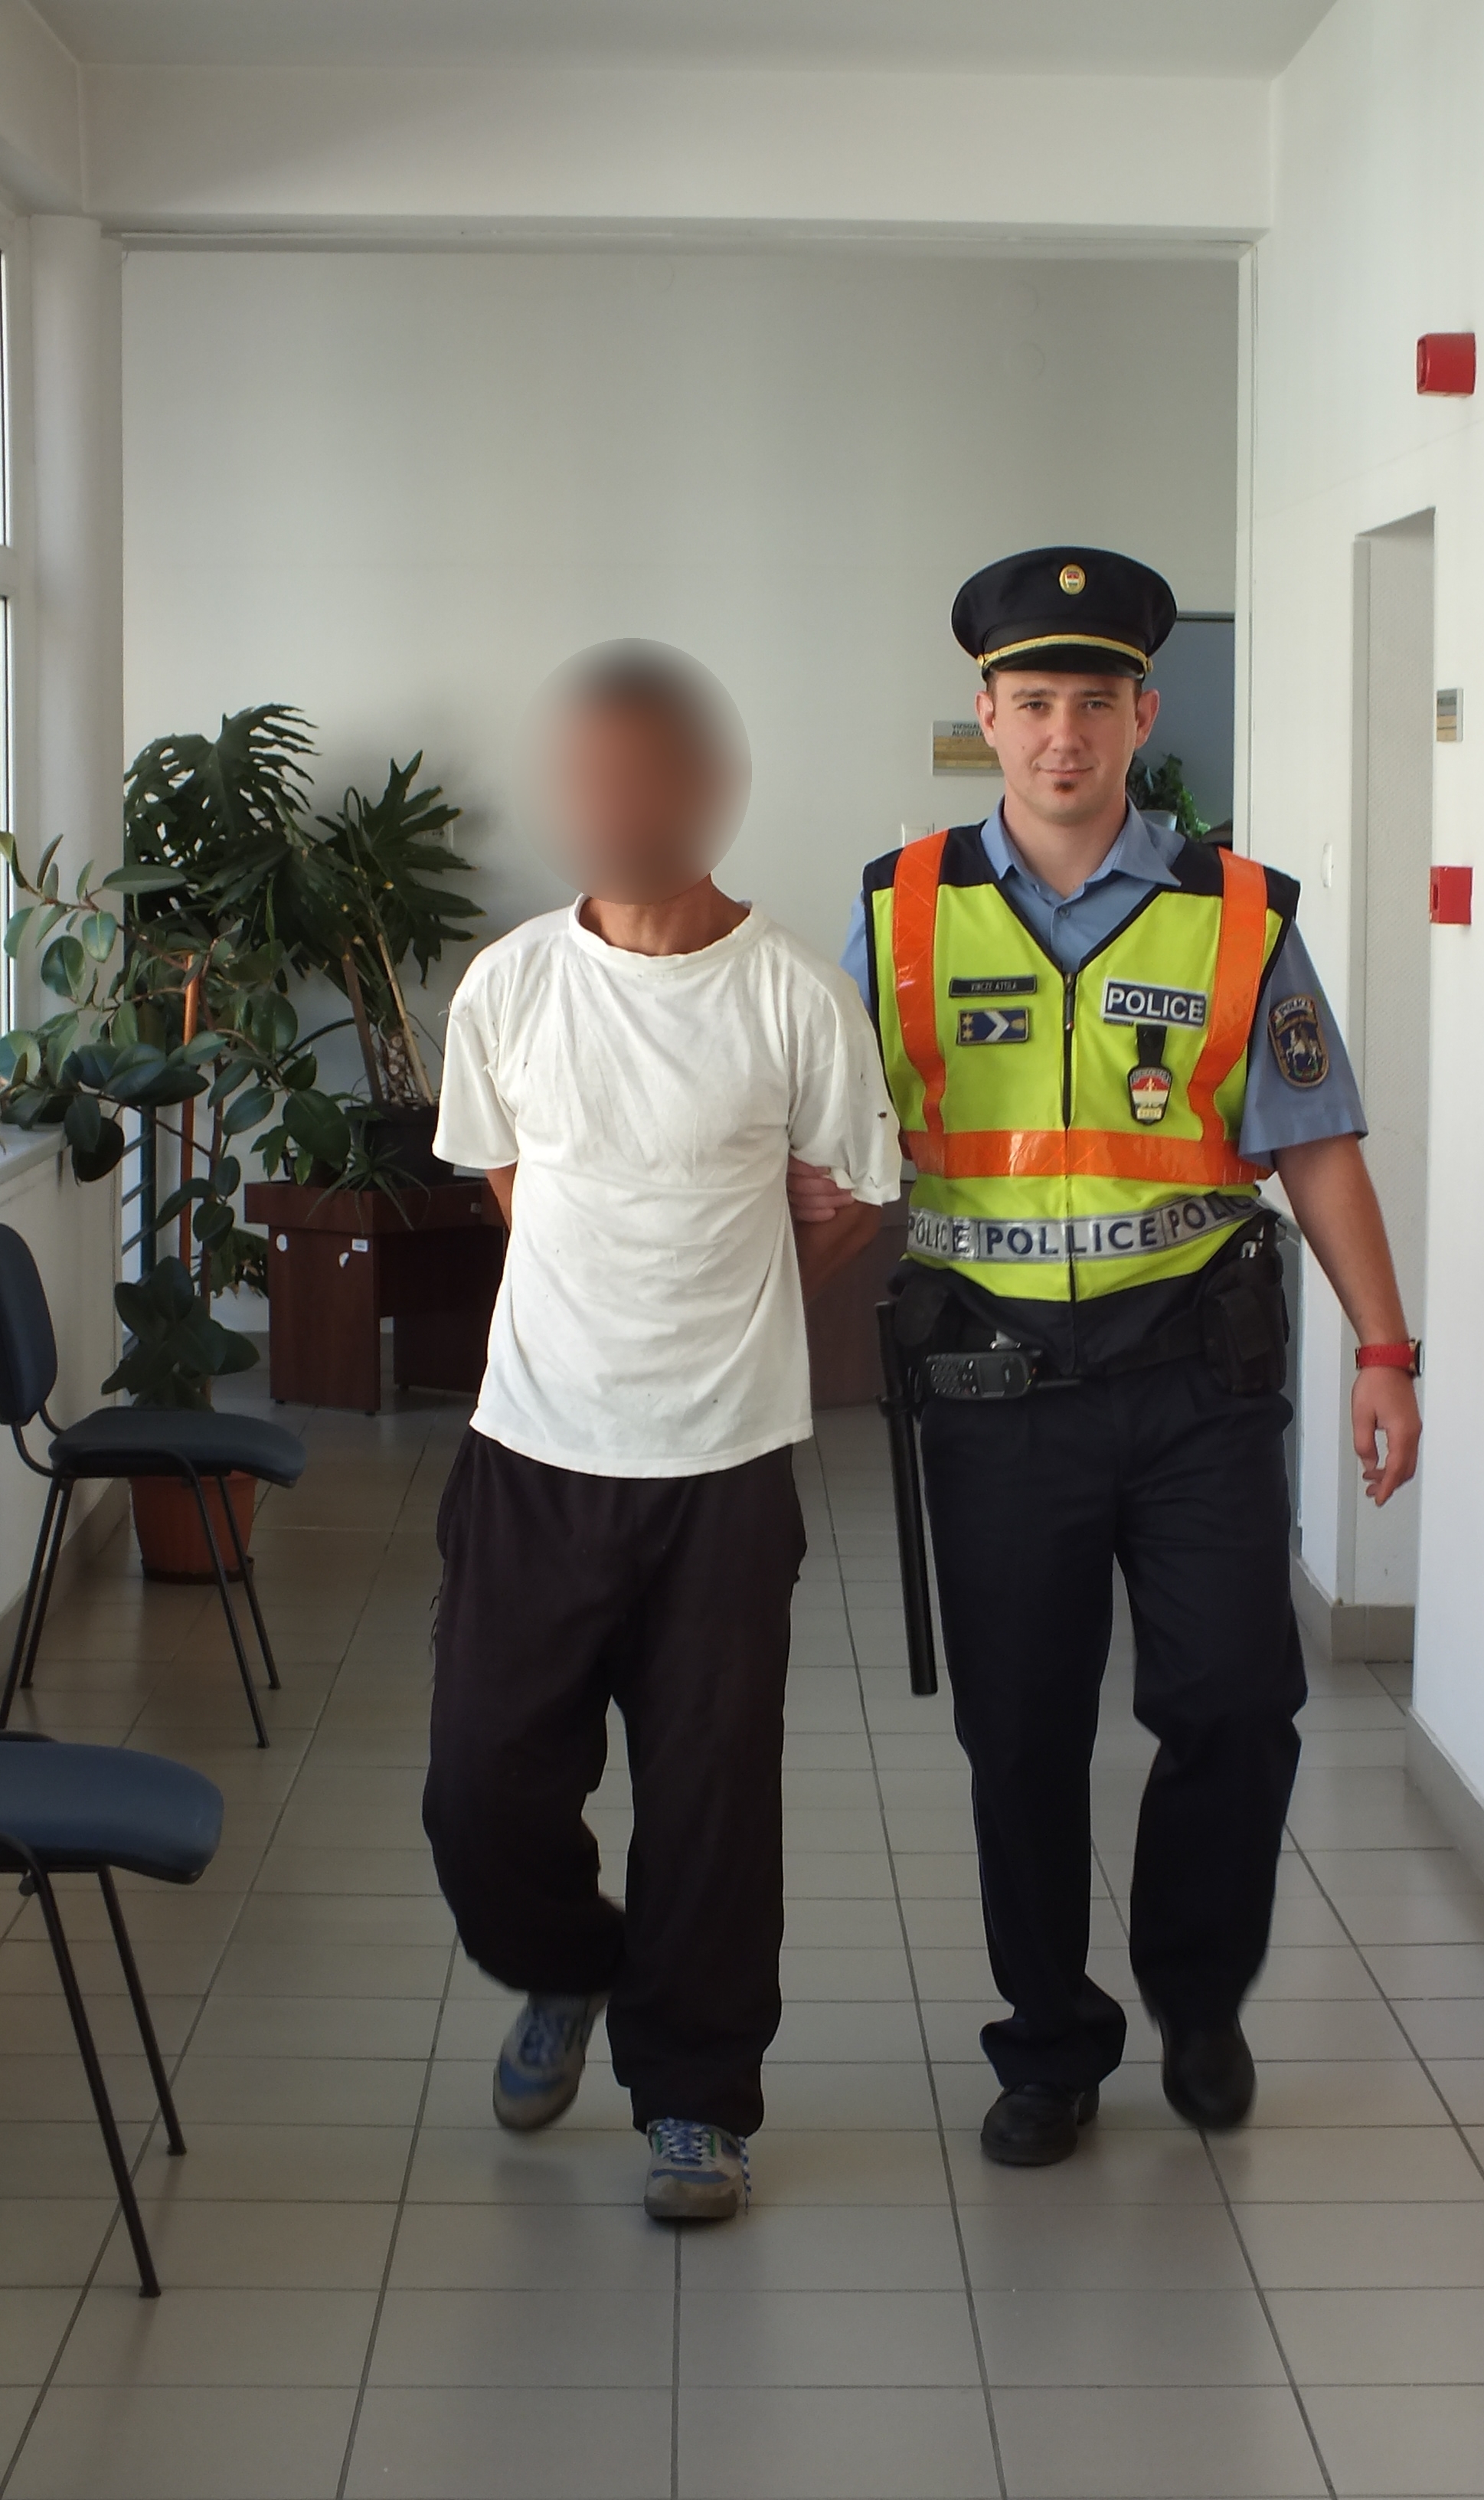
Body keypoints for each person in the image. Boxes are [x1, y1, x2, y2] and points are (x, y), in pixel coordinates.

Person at [794, 546, 1421, 2167]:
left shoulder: (1240, 916)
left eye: (1093, 700)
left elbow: (1315, 1144)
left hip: (1196, 1377)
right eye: (1032, 703)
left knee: (1238, 1703)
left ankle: (1198, 1999)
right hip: (994, 1389)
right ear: (986, 717)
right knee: (1021, 1732)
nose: (1062, 732)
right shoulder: (900, 909)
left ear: (1142, 713)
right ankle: (1050, 2043)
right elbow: (833, 1150)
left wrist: (1385, 1348)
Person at [423, 640, 898, 2220]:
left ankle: (696, 2102)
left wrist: (741, 1283)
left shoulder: (795, 995)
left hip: (723, 1470)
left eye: (647, 775)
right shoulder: (510, 986)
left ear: (710, 789)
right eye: (589, 777)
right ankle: (568, 1965)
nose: (615, 805)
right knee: (481, 1789)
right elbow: (513, 1181)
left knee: (710, 1802)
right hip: (533, 1453)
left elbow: (855, 1196)